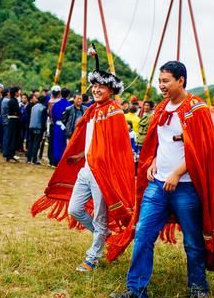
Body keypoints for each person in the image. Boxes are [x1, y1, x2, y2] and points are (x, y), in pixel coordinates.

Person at [112, 61, 214, 298]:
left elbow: (204, 149)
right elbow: (158, 141)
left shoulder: (197, 108)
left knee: (193, 241)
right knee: (143, 235)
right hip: (157, 185)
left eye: (166, 81)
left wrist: (177, 173)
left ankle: (198, 287)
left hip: (186, 187)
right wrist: (153, 159)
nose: (161, 86)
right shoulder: (162, 107)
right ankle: (135, 290)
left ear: (181, 81)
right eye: (159, 81)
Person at [32, 46, 135, 273]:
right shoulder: (94, 110)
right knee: (75, 210)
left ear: (111, 90)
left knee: (100, 216)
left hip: (102, 173)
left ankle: (93, 256)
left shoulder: (115, 113)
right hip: (87, 170)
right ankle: (104, 235)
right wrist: (80, 155)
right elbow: (91, 140)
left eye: (102, 87)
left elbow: (118, 149)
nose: (97, 90)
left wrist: (106, 169)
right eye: (95, 86)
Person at [50, 87, 71, 166]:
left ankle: (55, 160)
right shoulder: (69, 105)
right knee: (64, 144)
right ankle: (62, 161)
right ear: (68, 95)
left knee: (56, 143)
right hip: (66, 127)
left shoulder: (56, 105)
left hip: (57, 126)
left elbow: (53, 116)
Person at [27, 95, 47, 164]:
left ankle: (29, 158)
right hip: (38, 127)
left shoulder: (33, 107)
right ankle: (34, 158)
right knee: (36, 143)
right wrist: (44, 128)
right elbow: (43, 120)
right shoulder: (43, 108)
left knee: (31, 142)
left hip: (31, 126)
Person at [3, 87, 21, 162]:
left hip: (12, 119)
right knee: (12, 137)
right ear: (15, 93)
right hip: (13, 120)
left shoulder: (11, 100)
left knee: (11, 137)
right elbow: (18, 111)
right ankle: (10, 154)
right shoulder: (14, 101)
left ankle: (10, 154)